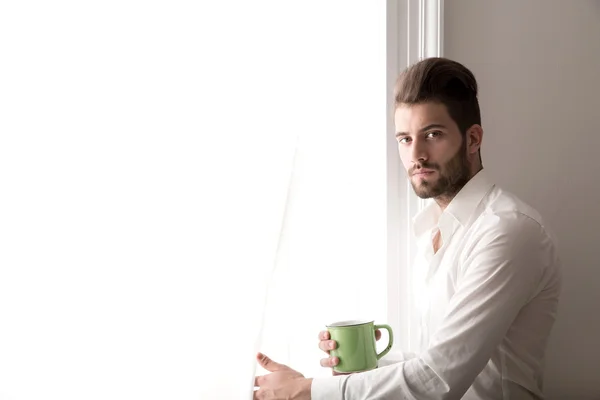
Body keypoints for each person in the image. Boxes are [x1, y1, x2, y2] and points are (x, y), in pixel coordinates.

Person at [253, 57, 562, 400]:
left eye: (432, 134)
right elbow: (432, 360)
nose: (416, 154)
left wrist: (310, 392)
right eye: (404, 138)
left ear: (473, 139)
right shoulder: (434, 230)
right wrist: (355, 368)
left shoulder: (508, 232)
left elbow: (439, 378)